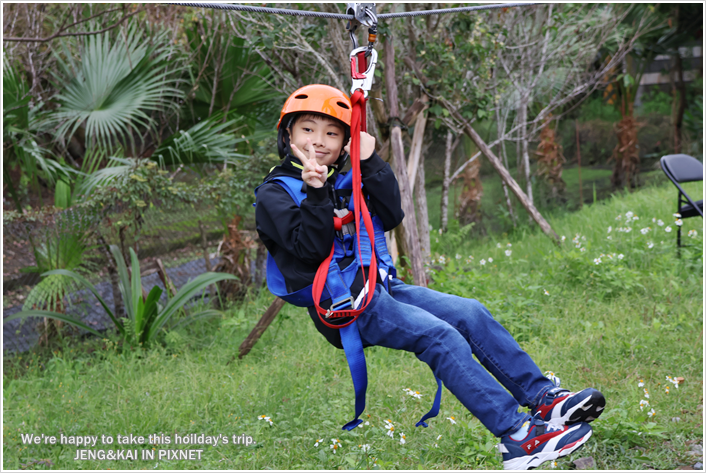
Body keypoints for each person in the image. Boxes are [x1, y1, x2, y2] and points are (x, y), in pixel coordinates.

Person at [255, 84, 606, 470]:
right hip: (342, 305)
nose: (318, 141)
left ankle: (546, 400)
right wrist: (316, 192)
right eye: (307, 129)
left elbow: (390, 216)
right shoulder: (276, 193)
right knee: (439, 336)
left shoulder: (345, 177)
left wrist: (369, 163)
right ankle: (519, 436)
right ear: (287, 134)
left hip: (379, 287)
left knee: (469, 313)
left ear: (346, 143)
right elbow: (310, 250)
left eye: (332, 133)